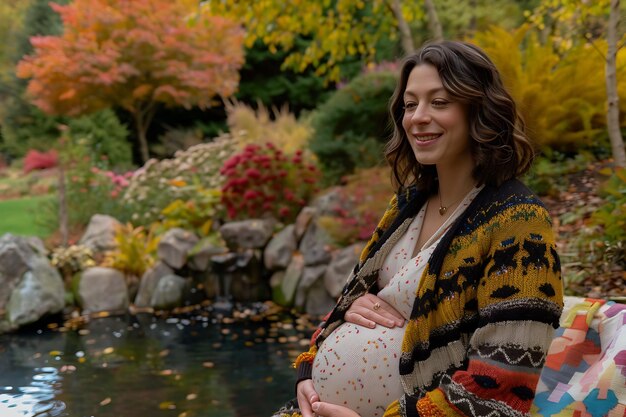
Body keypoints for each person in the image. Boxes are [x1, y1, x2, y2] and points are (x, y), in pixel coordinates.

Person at [274, 40, 563, 417]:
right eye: (410, 105)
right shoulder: (406, 205)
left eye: (439, 103)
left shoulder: (519, 223)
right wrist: (309, 373)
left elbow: (502, 385)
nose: (418, 117)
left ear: (480, 110)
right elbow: (344, 307)